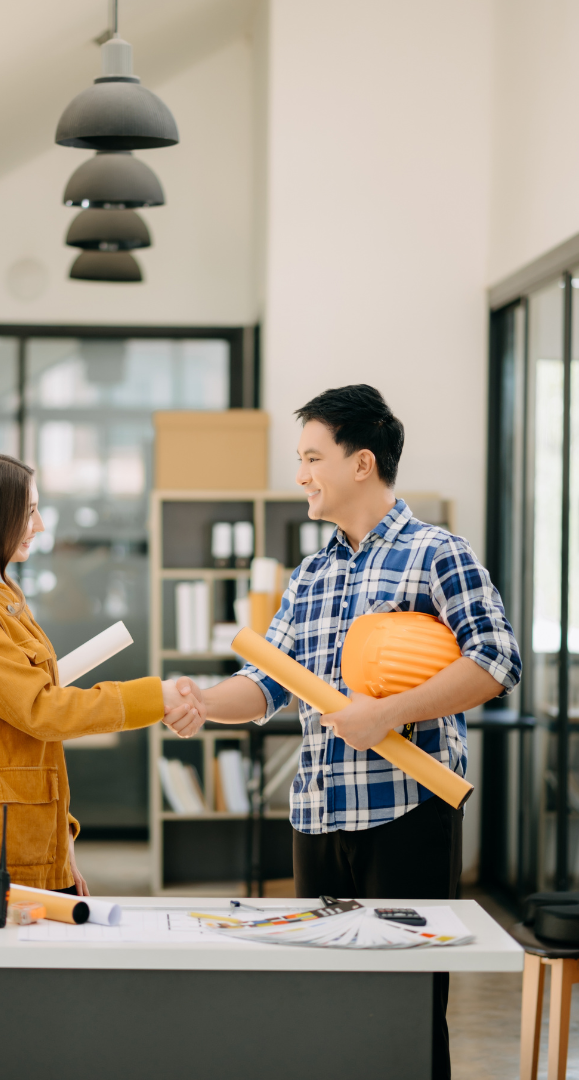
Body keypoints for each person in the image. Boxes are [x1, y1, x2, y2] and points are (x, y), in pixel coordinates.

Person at [176, 384, 521, 1080]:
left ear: (362, 462)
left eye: (313, 458)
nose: (301, 474)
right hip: (316, 818)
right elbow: (267, 682)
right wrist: (203, 702)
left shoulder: (437, 553)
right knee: (324, 1006)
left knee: (405, 1013)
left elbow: (497, 659)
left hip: (408, 815)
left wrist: (387, 713)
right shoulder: (310, 576)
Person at [0, 450, 202, 894]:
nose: (38, 526)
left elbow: (25, 745)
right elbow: (42, 710)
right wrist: (156, 698)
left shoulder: (4, 598)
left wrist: (63, 839)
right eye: (29, 512)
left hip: (28, 837)